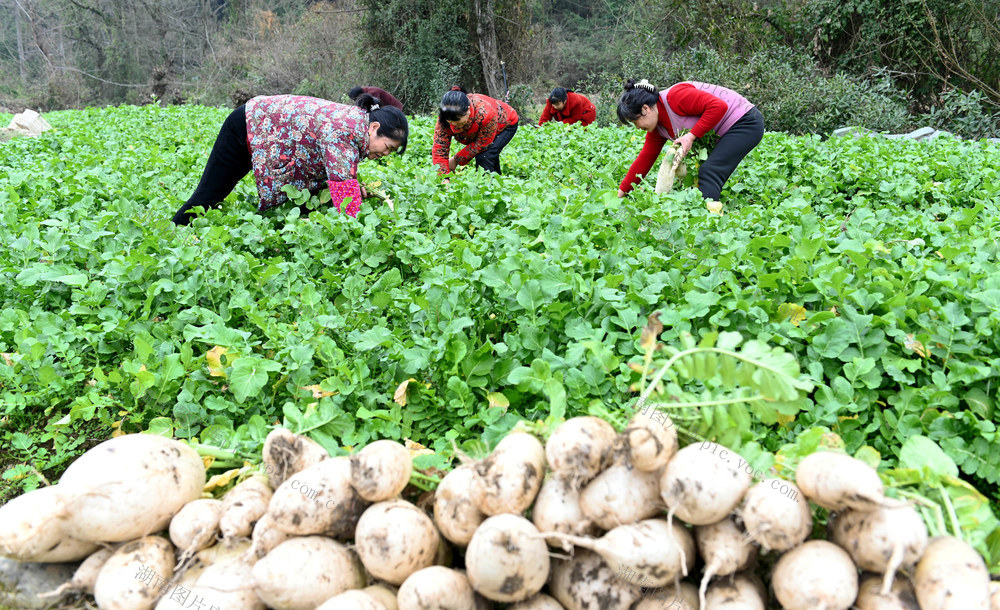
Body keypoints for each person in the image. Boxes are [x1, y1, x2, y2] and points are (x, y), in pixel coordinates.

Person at [171, 94, 407, 226]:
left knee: (312, 199)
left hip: (263, 133)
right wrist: (359, 230)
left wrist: (355, 188)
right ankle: (173, 233)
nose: (385, 154)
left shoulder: (356, 126)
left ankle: (295, 237)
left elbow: (340, 175)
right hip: (247, 126)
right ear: (374, 128)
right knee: (210, 194)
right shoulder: (345, 132)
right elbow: (344, 194)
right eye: (387, 147)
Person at [616, 78, 764, 203]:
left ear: (645, 109)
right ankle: (707, 211)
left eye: (636, 122)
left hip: (745, 121)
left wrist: (691, 136)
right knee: (703, 176)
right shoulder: (657, 128)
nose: (637, 128)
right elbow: (644, 160)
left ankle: (708, 223)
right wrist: (618, 197)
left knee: (709, 172)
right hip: (728, 130)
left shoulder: (675, 97)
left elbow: (718, 106)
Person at [432, 86, 519, 175]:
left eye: (458, 121)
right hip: (487, 127)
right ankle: (496, 182)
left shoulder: (484, 114)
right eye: (450, 122)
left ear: (468, 110)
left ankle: (488, 186)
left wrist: (456, 160)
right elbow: (439, 149)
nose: (454, 125)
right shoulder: (444, 119)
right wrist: (443, 178)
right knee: (488, 156)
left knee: (485, 156)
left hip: (507, 123)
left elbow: (481, 144)